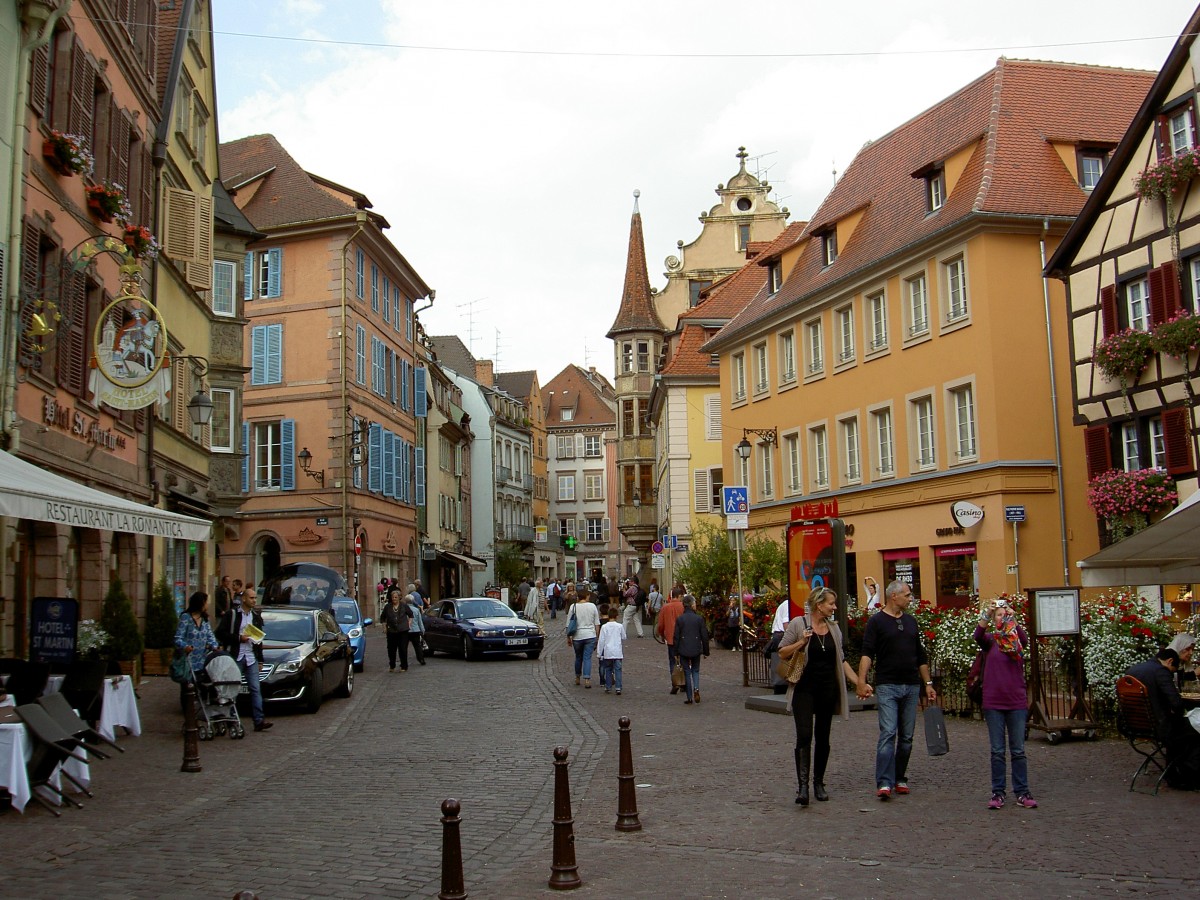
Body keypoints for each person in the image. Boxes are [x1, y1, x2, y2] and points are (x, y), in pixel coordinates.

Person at [779, 587, 867, 805]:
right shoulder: (799, 624)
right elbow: (781, 652)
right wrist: (801, 642)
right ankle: (803, 787)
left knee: (823, 737)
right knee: (805, 735)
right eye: (831, 603)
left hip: (827, 689)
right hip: (804, 689)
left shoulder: (834, 629)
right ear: (819, 605)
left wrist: (859, 683)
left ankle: (818, 782)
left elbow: (842, 660)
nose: (834, 607)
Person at [856, 580, 935, 800]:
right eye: (907, 595)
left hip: (910, 684)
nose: (910, 598)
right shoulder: (877, 622)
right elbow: (867, 653)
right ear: (894, 596)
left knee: (907, 736)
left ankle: (899, 776)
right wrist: (861, 681)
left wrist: (927, 683)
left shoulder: (911, 622)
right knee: (889, 732)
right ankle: (884, 781)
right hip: (887, 684)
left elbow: (920, 656)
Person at [974, 598, 1037, 810]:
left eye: (1004, 614)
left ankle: (1022, 791)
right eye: (999, 615)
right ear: (993, 619)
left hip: (1016, 702)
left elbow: (1025, 640)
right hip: (994, 703)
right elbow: (978, 636)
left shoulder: (1016, 641)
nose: (1002, 617)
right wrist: (987, 613)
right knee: (997, 751)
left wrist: (1014, 619)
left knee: (1018, 750)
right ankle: (998, 792)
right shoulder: (991, 640)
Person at [1126, 648, 1200, 789]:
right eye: (1172, 671)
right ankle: (1188, 777)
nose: (1170, 674)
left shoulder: (1133, 670)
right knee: (1195, 730)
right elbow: (1176, 703)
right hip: (1158, 727)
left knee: (1181, 732)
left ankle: (1173, 773)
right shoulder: (1160, 671)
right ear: (1170, 661)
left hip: (1134, 726)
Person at [216, 586, 272, 732]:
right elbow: (220, 633)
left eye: (255, 598)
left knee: (255, 688)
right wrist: (238, 638)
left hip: (251, 657)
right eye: (252, 598)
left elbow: (259, 640)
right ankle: (231, 718)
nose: (254, 600)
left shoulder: (256, 617)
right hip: (236, 656)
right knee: (232, 687)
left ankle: (259, 720)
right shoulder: (232, 614)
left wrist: (260, 660)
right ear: (244, 599)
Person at [174, 591, 219, 707]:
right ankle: (188, 715)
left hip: (202, 660)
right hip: (188, 661)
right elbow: (178, 638)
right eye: (205, 602)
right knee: (188, 689)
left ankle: (200, 711)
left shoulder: (205, 620)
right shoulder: (186, 618)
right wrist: (185, 646)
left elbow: (210, 635)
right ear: (199, 603)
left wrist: (215, 646)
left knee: (202, 688)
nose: (207, 605)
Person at [672, 595, 710, 704]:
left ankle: (689, 697)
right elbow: (704, 636)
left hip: (683, 648)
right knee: (696, 670)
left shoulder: (680, 619)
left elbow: (676, 636)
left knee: (687, 672)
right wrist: (706, 651)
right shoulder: (699, 619)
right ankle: (696, 688)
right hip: (696, 648)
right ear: (692, 605)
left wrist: (675, 652)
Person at [566, 584, 600, 688]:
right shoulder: (592, 606)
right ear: (586, 596)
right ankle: (587, 679)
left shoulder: (573, 607)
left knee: (578, 657)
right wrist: (596, 637)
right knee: (587, 658)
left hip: (577, 636)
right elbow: (597, 623)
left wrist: (568, 637)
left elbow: (568, 624)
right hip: (590, 635)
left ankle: (577, 677)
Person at [656, 585, 686, 694]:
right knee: (684, 661)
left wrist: (662, 634)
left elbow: (660, 625)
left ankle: (675, 683)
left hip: (670, 638)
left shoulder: (665, 607)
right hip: (683, 638)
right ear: (679, 596)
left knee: (672, 661)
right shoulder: (683, 606)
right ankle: (684, 683)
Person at [380, 587, 413, 672]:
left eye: (396, 597)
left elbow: (411, 615)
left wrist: (409, 623)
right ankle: (392, 665)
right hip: (391, 631)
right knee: (391, 649)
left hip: (403, 631)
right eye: (393, 597)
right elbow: (382, 618)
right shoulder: (388, 607)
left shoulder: (404, 606)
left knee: (403, 649)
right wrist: (384, 627)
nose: (394, 599)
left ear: (399, 597)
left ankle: (404, 666)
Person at [596, 604, 627, 694]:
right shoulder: (619, 626)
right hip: (617, 651)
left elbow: (601, 640)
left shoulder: (605, 627)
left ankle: (608, 686)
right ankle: (618, 687)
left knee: (608, 669)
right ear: (617, 616)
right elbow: (624, 637)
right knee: (618, 669)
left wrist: (599, 653)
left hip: (607, 651)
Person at [407, 588, 427, 667]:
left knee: (404, 646)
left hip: (406, 630)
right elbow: (420, 622)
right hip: (415, 630)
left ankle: (404, 661)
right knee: (417, 646)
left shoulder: (404, 609)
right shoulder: (416, 610)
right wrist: (422, 630)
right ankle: (421, 659)